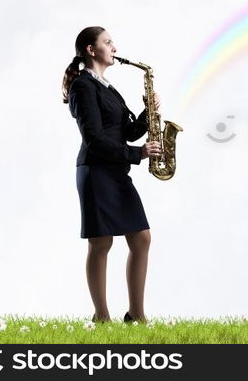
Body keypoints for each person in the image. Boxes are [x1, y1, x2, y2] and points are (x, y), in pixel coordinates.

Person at [61, 26, 162, 324]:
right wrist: (138, 153)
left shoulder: (107, 87)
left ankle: (136, 315)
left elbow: (126, 132)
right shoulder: (83, 86)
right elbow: (93, 138)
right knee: (101, 242)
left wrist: (148, 114)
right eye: (108, 42)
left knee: (141, 238)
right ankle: (102, 317)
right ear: (91, 50)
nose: (114, 47)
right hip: (96, 171)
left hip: (116, 171)